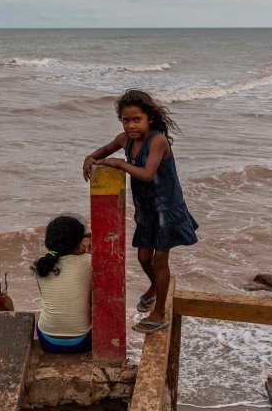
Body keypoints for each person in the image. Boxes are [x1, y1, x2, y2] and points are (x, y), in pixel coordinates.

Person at [83, 89, 198, 334]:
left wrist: (118, 163)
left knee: (159, 260)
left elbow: (146, 174)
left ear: (149, 119)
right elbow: (101, 151)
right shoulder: (125, 140)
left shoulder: (157, 141)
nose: (131, 125)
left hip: (166, 208)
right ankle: (156, 287)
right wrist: (89, 158)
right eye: (126, 120)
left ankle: (159, 314)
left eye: (137, 120)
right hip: (146, 209)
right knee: (143, 258)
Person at [32, 215, 92, 353]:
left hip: (47, 341)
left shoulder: (42, 266)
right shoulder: (88, 261)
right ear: (79, 243)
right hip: (81, 342)